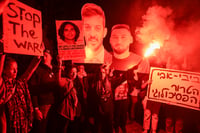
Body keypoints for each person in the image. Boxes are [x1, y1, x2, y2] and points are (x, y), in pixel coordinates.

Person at [109, 24, 150, 133]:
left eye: (123, 37)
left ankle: (125, 124)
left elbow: (144, 81)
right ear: (109, 40)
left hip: (127, 96)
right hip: (113, 98)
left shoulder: (141, 61)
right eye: (115, 37)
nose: (119, 40)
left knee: (124, 112)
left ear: (131, 39)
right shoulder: (103, 59)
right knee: (116, 114)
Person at [0, 53, 41, 133]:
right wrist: (2, 55)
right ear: (4, 70)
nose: (16, 71)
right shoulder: (2, 84)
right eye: (12, 69)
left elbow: (29, 71)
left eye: (17, 68)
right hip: (9, 124)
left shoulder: (19, 83)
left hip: (21, 123)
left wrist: (37, 58)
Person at [29, 49, 58, 133]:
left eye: (46, 55)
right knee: (41, 129)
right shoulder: (38, 71)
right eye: (43, 55)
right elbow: (33, 89)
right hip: (43, 106)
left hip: (54, 105)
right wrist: (36, 108)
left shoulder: (55, 70)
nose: (43, 57)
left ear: (51, 57)